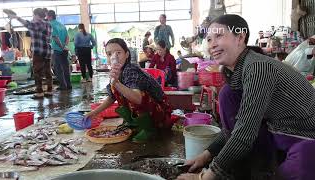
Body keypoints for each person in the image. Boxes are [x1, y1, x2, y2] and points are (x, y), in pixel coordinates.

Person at [177, 14, 315, 180]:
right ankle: (246, 169)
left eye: (219, 35)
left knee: (295, 168)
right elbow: (240, 126)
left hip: (306, 136)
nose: (212, 44)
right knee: (227, 94)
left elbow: (245, 132)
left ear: (240, 37)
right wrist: (205, 155)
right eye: (208, 39)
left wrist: (206, 176)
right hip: (277, 131)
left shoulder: (258, 67)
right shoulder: (237, 73)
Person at [85, 38, 173, 142]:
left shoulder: (130, 70)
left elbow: (139, 99)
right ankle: (134, 122)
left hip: (160, 113)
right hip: (149, 111)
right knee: (115, 89)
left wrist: (116, 83)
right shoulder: (117, 72)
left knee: (122, 89)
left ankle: (149, 129)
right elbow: (112, 97)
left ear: (126, 54)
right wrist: (93, 113)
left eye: (118, 52)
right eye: (109, 54)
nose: (114, 57)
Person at [8, 8, 52, 99]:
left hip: (39, 51)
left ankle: (39, 92)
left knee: (37, 72)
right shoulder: (48, 24)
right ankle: (49, 90)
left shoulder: (39, 24)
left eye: (33, 15)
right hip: (47, 51)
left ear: (36, 15)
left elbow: (28, 24)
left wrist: (16, 17)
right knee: (48, 71)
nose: (33, 17)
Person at [47, 10, 72, 91]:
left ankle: (63, 86)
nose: (46, 18)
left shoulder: (51, 24)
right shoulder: (61, 25)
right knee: (66, 68)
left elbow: (55, 37)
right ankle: (69, 85)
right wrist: (65, 46)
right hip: (64, 50)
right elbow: (67, 37)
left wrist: (61, 46)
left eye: (47, 16)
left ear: (50, 16)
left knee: (58, 68)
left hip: (57, 49)